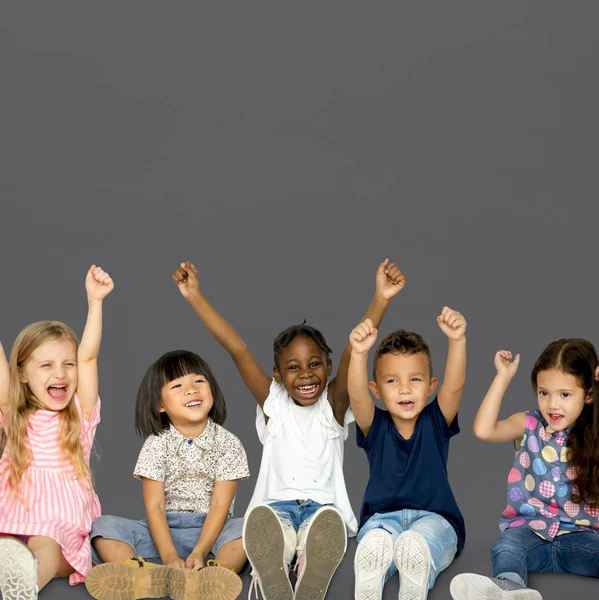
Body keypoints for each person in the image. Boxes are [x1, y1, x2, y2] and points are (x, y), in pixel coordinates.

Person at [172, 259, 404, 600]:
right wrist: (195, 295)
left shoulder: (333, 406)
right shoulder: (274, 404)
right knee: (273, 534)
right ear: (278, 375)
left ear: (326, 367)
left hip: (323, 512)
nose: (306, 375)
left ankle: (311, 568)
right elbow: (236, 348)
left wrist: (381, 298)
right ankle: (275, 570)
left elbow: (353, 350)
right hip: (274, 508)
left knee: (321, 531)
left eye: (314, 365)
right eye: (293, 368)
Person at [86, 350, 249, 600]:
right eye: (177, 385)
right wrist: (170, 556)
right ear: (160, 405)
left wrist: (200, 551)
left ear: (212, 391)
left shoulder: (229, 443)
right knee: (103, 526)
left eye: (199, 381)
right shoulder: (156, 444)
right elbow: (155, 506)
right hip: (161, 531)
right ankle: (139, 573)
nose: (192, 389)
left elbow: (220, 505)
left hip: (213, 531)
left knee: (245, 528)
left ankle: (216, 575)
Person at [450, 339, 599, 600]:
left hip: (582, 539)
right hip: (531, 535)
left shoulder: (595, 433)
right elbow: (484, 430)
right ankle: (510, 589)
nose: (552, 404)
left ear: (588, 394)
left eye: (565, 394)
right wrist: (502, 377)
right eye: (544, 392)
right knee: (505, 547)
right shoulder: (529, 424)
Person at [0, 265, 114, 598]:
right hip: (9, 520)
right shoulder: (14, 414)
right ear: (22, 375)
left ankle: (18, 591)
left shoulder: (79, 415)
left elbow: (89, 356)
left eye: (67, 364)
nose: (60, 373)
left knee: (45, 547)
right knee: (10, 550)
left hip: (57, 530)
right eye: (46, 365)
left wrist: (95, 302)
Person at [349, 304, 467, 600]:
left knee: (424, 539)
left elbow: (454, 387)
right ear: (376, 390)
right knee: (376, 538)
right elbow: (355, 394)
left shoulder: (436, 421)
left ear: (430, 386)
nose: (404, 389)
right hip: (381, 518)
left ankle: (416, 572)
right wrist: (359, 353)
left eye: (415, 379)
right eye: (393, 381)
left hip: (435, 517)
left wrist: (457, 340)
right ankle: (370, 576)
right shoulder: (374, 425)